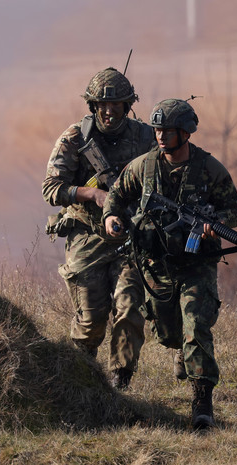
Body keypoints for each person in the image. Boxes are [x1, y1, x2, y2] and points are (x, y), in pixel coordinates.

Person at [103, 99, 237, 430]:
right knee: (158, 327)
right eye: (157, 130)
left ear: (185, 133)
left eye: (167, 131)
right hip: (152, 262)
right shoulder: (142, 167)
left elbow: (234, 211)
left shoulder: (210, 169)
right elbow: (116, 196)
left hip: (195, 264)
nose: (161, 136)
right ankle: (147, 364)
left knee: (196, 325)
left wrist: (215, 222)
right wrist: (111, 217)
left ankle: (202, 401)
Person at [42, 67, 155, 390]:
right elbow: (51, 188)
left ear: (127, 105)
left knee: (130, 307)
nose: (109, 111)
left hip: (129, 237)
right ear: (92, 106)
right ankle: (80, 381)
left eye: (116, 105)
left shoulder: (145, 138)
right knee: (91, 322)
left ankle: (120, 381)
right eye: (102, 105)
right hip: (87, 235)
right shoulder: (75, 138)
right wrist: (91, 193)